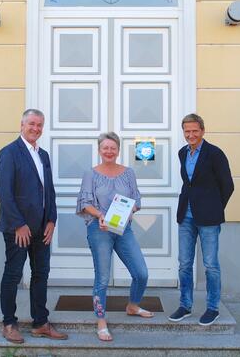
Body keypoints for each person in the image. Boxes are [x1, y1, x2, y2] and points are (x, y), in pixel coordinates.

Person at [0, 109, 68, 344]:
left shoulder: (43, 155)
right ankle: (9, 323)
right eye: (32, 124)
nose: (36, 128)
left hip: (41, 229)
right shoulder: (9, 153)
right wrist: (18, 224)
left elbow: (49, 192)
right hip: (19, 229)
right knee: (14, 274)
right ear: (22, 125)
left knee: (41, 274)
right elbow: (4, 193)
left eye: (40, 125)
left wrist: (51, 220)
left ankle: (40, 323)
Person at [77, 132, 153, 342]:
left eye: (113, 148)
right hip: (99, 228)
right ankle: (101, 320)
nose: (109, 151)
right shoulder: (91, 174)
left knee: (141, 272)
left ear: (118, 150)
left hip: (123, 229)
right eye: (105, 148)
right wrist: (100, 215)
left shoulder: (128, 173)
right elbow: (85, 202)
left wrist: (131, 210)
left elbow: (136, 198)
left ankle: (133, 305)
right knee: (102, 277)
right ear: (99, 150)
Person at [168, 114, 234, 326]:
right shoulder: (182, 153)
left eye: (195, 131)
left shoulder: (215, 153)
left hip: (208, 218)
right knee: (184, 264)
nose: (191, 135)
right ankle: (185, 305)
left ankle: (212, 308)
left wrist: (214, 208)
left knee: (211, 265)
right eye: (187, 131)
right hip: (185, 216)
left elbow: (227, 185)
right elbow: (189, 184)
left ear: (203, 131)